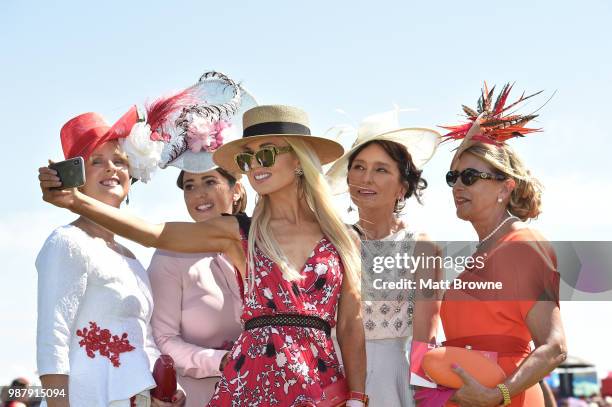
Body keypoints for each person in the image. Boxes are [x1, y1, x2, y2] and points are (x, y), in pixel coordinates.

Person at [38, 105, 369, 406]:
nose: (254, 165)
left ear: (298, 159)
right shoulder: (237, 231)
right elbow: (154, 232)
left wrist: (357, 397)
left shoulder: (343, 237)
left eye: (265, 154)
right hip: (250, 384)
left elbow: (351, 329)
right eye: (245, 159)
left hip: (321, 383)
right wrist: (74, 201)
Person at [36, 109, 187, 407]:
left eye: (120, 161)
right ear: (76, 179)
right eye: (97, 161)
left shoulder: (131, 257)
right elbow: (51, 341)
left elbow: (141, 339)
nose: (111, 169)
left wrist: (166, 391)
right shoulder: (67, 242)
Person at [439, 83, 567, 406]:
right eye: (452, 177)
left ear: (504, 188)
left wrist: (497, 395)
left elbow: (554, 346)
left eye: (469, 177)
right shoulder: (480, 255)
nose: (457, 186)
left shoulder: (521, 244)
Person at [148, 73, 252, 407]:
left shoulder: (264, 245)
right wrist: (219, 361)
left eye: (209, 182)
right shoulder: (170, 253)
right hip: (201, 398)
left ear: (237, 191)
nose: (198, 195)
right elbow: (162, 340)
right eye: (189, 186)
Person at [326, 110, 441, 406]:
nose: (366, 178)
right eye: (359, 167)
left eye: (381, 169)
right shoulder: (328, 240)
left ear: (402, 187)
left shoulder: (421, 247)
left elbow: (425, 335)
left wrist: (425, 396)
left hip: (391, 381)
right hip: (328, 375)